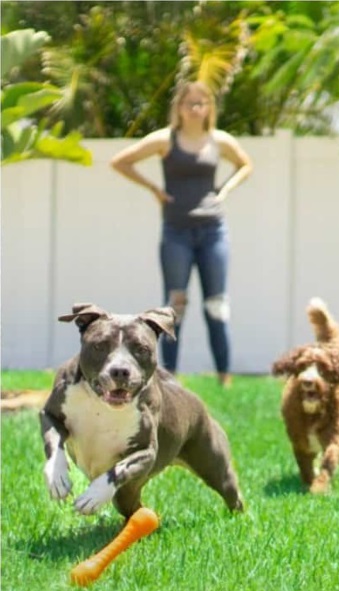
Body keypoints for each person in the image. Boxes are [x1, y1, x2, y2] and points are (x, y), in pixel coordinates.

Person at [111, 81, 253, 387]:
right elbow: (121, 162)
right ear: (179, 107)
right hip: (176, 232)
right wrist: (154, 190)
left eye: (202, 103)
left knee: (216, 305)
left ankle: (224, 377)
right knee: (174, 307)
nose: (196, 108)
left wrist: (225, 190)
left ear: (209, 108)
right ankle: (169, 377)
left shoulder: (219, 141)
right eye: (190, 103)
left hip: (213, 231)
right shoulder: (165, 140)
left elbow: (245, 165)